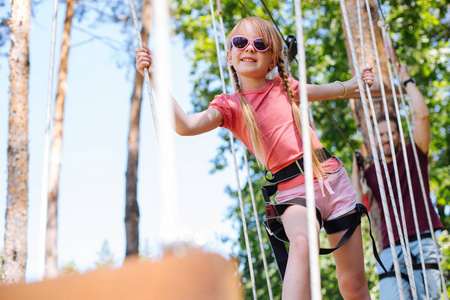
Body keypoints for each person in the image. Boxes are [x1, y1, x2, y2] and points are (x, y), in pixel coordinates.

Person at [136, 17, 374, 299]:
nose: (249, 48)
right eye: (240, 42)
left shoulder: (285, 87)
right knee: (301, 243)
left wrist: (355, 83)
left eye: (260, 44)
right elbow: (185, 126)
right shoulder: (230, 107)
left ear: (272, 60)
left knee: (352, 285)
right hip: (294, 192)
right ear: (230, 56)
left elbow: (330, 90)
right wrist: (154, 78)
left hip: (332, 178)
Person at [352, 63, 444, 300]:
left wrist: (407, 80)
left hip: (422, 239)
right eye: (381, 135)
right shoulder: (372, 173)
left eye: (391, 133)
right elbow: (355, 206)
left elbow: (422, 116)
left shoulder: (414, 154)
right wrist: (356, 166)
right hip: (391, 247)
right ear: (373, 140)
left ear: (399, 136)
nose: (386, 139)